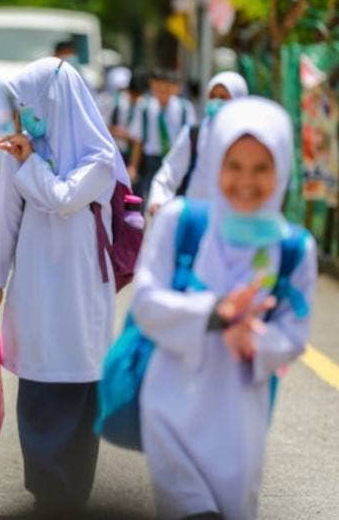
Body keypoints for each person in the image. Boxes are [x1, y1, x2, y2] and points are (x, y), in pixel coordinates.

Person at [132, 97, 317, 520]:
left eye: (261, 168)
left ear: (282, 170)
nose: (246, 181)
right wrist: (215, 314)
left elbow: (294, 334)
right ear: (215, 163)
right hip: (170, 412)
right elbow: (145, 302)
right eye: (234, 165)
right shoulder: (180, 222)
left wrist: (254, 338)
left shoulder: (293, 249)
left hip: (240, 424)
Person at [0, 56, 129, 514]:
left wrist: (31, 162)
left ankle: (71, 492)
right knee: (39, 379)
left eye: (30, 104)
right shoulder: (23, 152)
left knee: (78, 381)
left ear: (55, 101)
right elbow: (4, 219)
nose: (25, 115)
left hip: (81, 291)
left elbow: (63, 199)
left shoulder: (99, 158)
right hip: (37, 286)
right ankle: (44, 489)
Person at [147, 71, 249, 216]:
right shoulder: (195, 133)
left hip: (232, 220)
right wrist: (158, 200)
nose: (216, 102)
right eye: (212, 96)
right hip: (194, 218)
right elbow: (170, 170)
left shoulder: (248, 140)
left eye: (223, 97)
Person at [127, 70, 196, 202]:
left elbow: (190, 138)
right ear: (152, 86)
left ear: (175, 89)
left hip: (176, 158)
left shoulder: (185, 108)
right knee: (150, 198)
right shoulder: (144, 107)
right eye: (158, 88)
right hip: (151, 160)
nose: (162, 93)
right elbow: (138, 140)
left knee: (175, 198)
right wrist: (133, 166)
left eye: (167, 89)